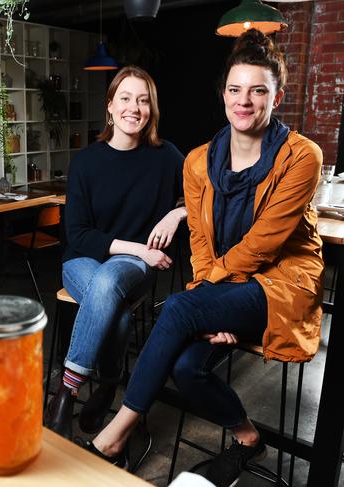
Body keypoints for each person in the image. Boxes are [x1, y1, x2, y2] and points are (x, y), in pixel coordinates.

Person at [84, 29, 324, 487]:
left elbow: (265, 245)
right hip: (224, 287)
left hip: (279, 285)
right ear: (223, 94)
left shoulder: (300, 157)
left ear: (277, 96)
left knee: (177, 307)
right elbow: (199, 241)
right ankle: (249, 438)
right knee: (185, 368)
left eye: (258, 90)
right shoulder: (197, 161)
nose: (245, 101)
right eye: (235, 90)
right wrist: (210, 302)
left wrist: (205, 297)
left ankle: (113, 438)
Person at [44, 65, 187, 440]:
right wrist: (141, 247)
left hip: (133, 265)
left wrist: (177, 212)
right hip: (82, 260)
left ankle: (65, 391)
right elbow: (77, 233)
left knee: (109, 283)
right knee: (111, 298)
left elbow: (205, 196)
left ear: (151, 109)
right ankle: (108, 383)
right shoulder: (86, 161)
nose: (133, 108)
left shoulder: (167, 156)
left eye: (143, 100)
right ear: (110, 107)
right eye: (125, 98)